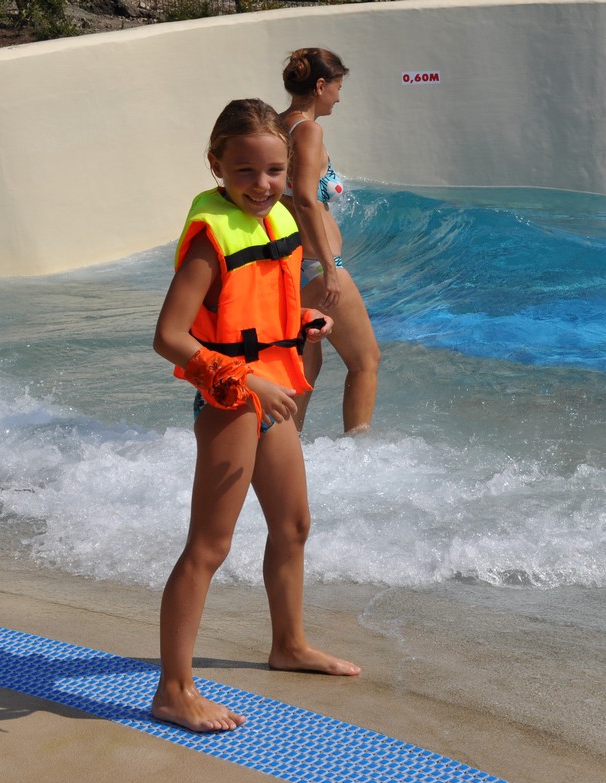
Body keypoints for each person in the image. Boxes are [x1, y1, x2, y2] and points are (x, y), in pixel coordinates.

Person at [152, 98, 360, 734]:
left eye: (274, 171)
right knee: (209, 546)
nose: (262, 184)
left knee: (293, 526)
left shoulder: (280, 220)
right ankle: (174, 689)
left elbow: (260, 308)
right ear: (216, 165)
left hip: (274, 395)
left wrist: (303, 321)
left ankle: (289, 645)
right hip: (231, 401)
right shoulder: (210, 239)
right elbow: (170, 337)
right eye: (245, 170)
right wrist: (245, 380)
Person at [280, 46, 381, 434]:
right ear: (321, 85)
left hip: (292, 265)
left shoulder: (278, 124)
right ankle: (358, 455)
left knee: (308, 364)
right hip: (316, 266)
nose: (339, 97)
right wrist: (329, 267)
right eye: (338, 87)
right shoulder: (309, 131)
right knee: (365, 361)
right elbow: (306, 199)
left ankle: (286, 445)